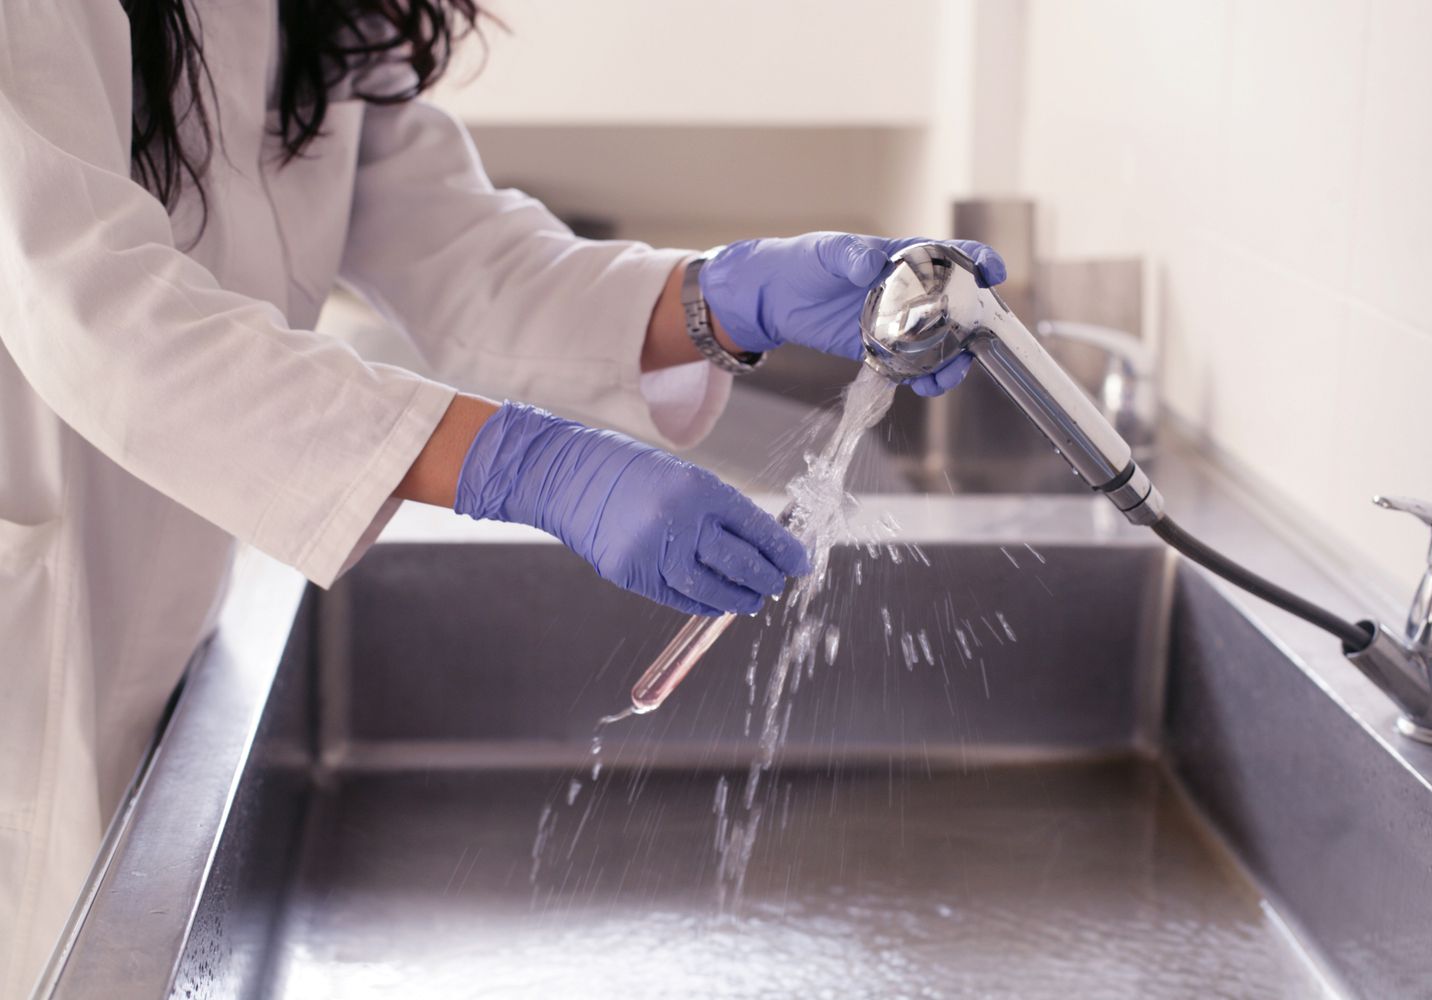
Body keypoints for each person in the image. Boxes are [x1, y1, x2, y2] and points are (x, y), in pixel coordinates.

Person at [0, 1, 1006, 991]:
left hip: (155, 616)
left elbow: (462, 253)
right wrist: (524, 463)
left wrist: (716, 298)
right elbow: (97, 310)